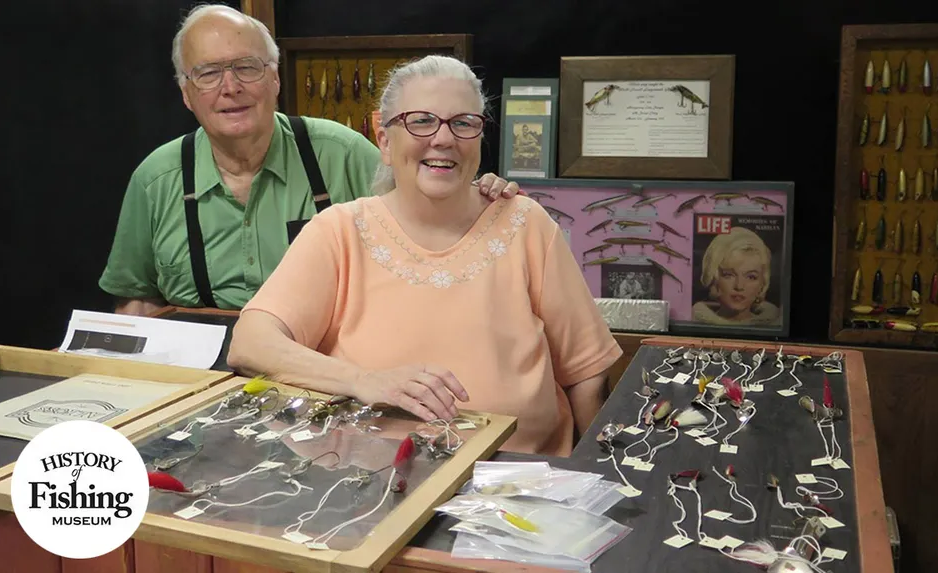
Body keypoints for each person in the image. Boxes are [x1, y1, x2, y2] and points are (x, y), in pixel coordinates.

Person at [227, 55, 622, 456]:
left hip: (521, 482)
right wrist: (364, 380)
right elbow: (251, 344)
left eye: (463, 123)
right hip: (369, 486)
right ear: (384, 139)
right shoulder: (339, 231)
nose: (444, 139)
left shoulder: (526, 223)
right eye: (421, 120)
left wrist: (600, 477)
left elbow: (587, 375)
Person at [97, 4, 518, 317]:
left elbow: (431, 227)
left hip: (324, 374)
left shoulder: (344, 154)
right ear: (186, 93)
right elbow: (136, 302)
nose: (231, 87)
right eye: (208, 73)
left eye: (247, 67)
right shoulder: (156, 179)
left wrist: (478, 198)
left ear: (275, 77)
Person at [692, 226, 781, 325]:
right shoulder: (691, 323)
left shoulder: (775, 326)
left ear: (762, 283)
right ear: (713, 278)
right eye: (729, 275)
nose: (739, 286)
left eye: (751, 277)